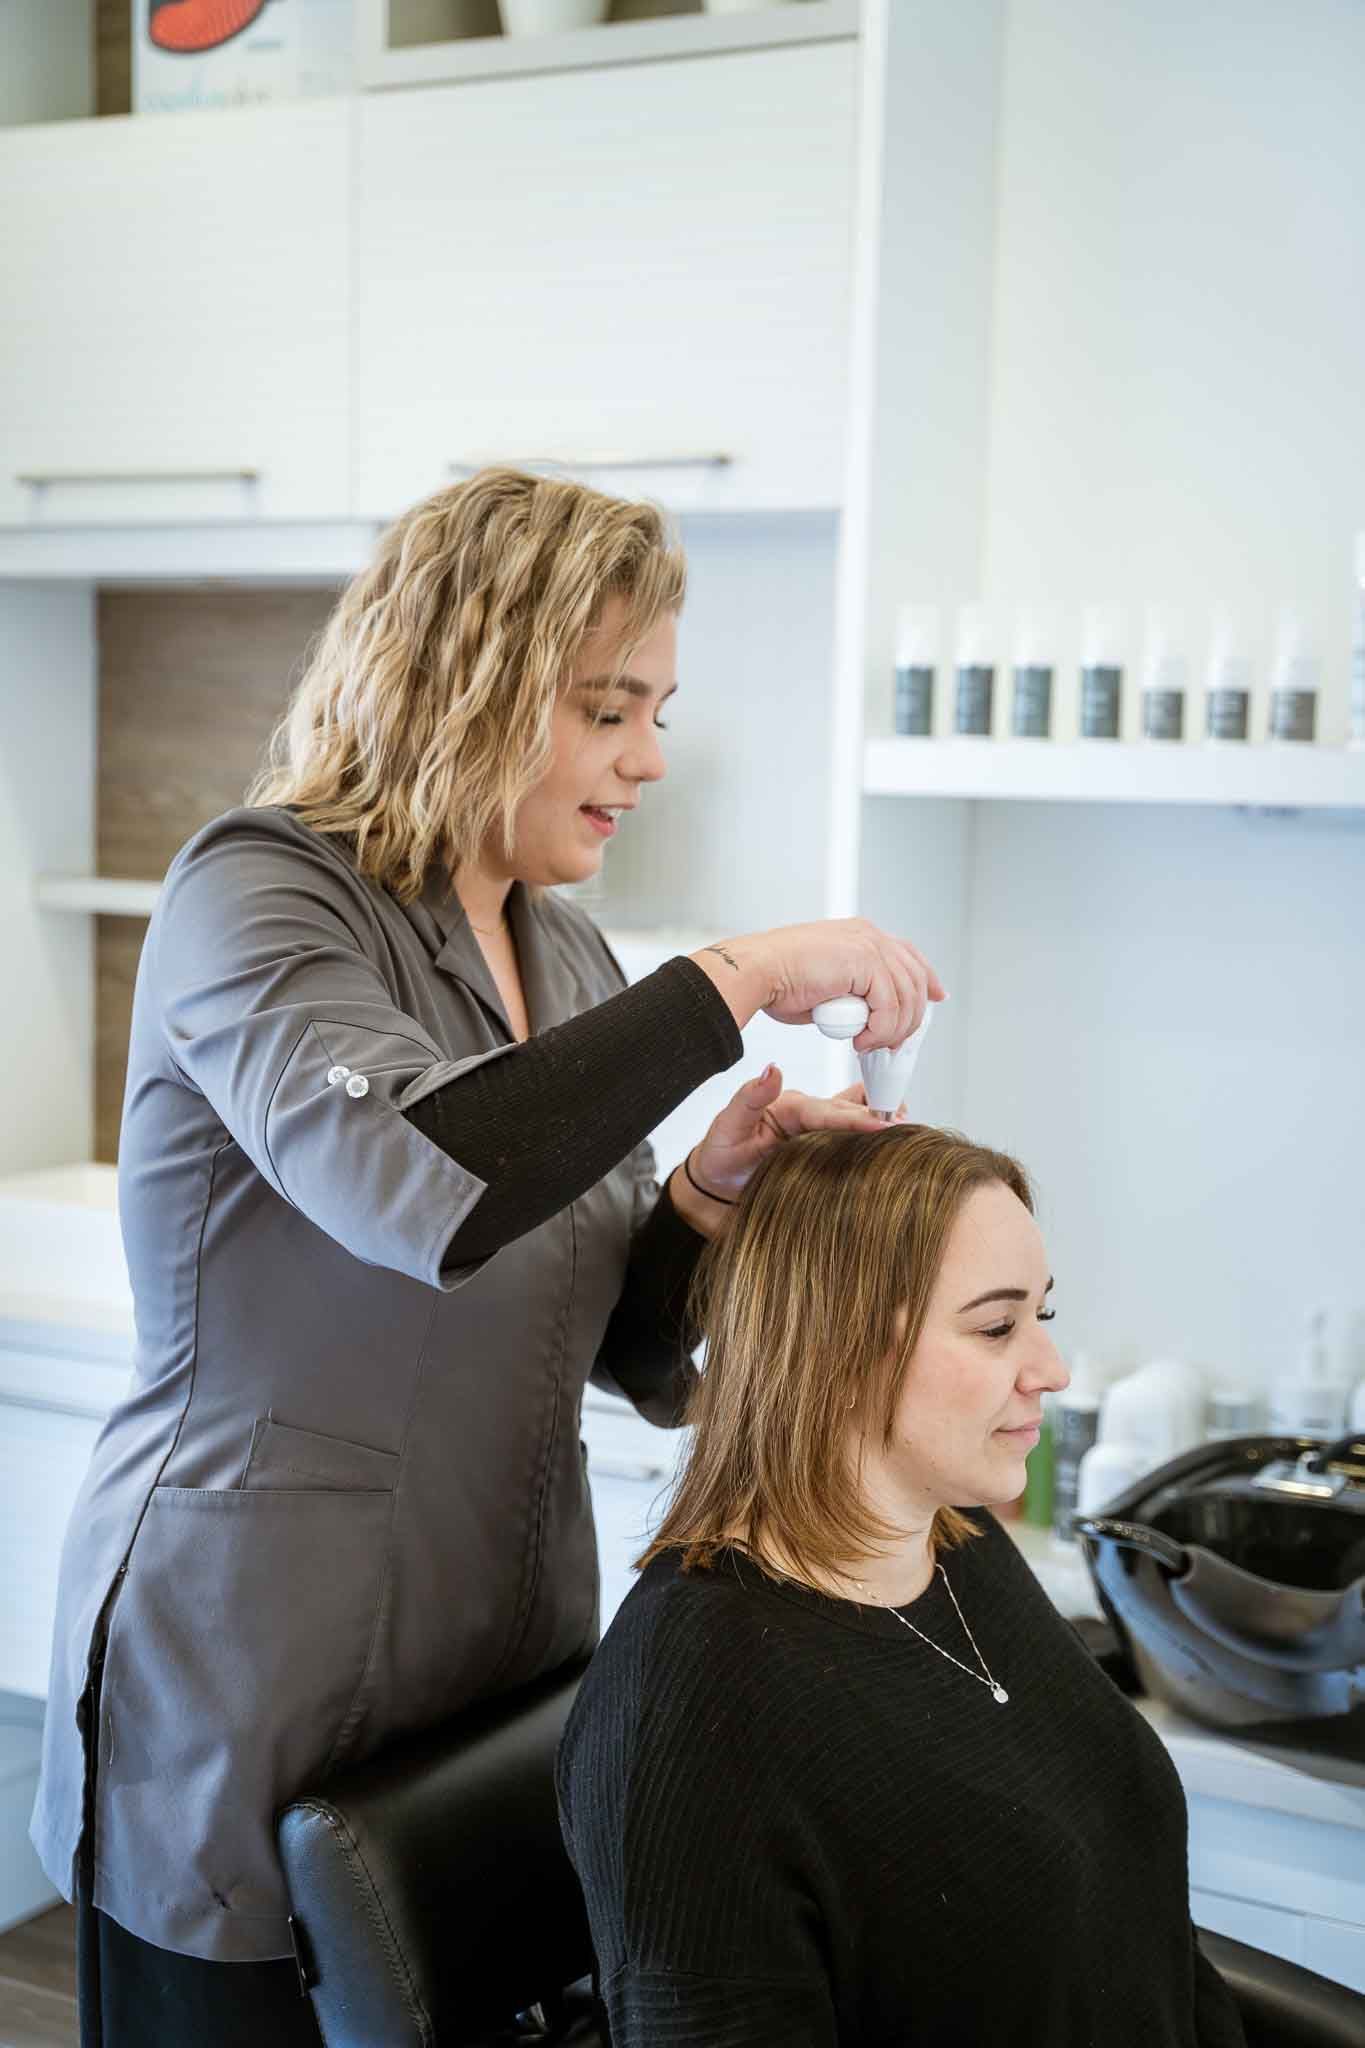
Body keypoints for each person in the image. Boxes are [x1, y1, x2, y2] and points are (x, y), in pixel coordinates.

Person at [28, 466, 945, 2044]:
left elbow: (619, 1349)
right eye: (609, 709)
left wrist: (706, 1201)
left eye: (656, 708)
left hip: (499, 1663)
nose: (649, 759)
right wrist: (738, 974)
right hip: (258, 1667)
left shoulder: (565, 947)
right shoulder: (259, 893)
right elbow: (423, 1186)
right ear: (468, 681)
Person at [557, 1124, 1249, 2048]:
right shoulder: (693, 1702)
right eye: (996, 1326)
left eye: (1038, 1317)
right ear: (836, 1350)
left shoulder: (955, 1543)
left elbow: (1134, 1926)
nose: (1050, 1370)